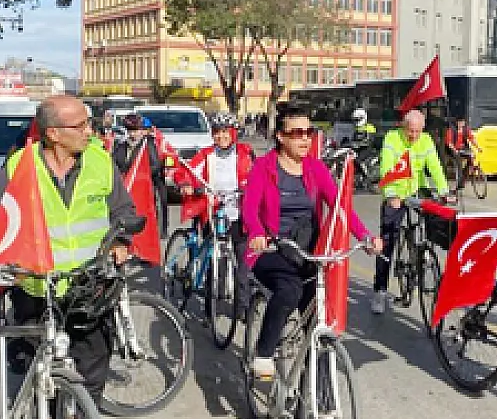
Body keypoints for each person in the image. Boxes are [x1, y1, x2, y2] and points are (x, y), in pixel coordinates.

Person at [0, 95, 139, 403]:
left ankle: (80, 418)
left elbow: (124, 211)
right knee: (33, 372)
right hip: (36, 286)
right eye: (81, 125)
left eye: (89, 123)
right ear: (53, 133)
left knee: (91, 373)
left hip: (89, 287)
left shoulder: (100, 161)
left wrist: (121, 241)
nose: (90, 131)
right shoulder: (21, 165)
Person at [242, 103, 382, 379]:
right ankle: (264, 352)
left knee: (320, 323)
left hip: (308, 252)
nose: (305, 138)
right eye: (297, 133)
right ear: (281, 136)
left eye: (309, 132)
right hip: (271, 249)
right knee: (289, 291)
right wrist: (257, 234)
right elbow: (249, 208)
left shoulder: (315, 168)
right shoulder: (264, 167)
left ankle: (323, 404)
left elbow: (340, 208)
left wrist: (365, 236)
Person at [372, 109, 454, 315]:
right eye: (410, 131)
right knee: (387, 243)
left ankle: (422, 254)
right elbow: (387, 167)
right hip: (396, 194)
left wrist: (444, 191)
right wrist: (391, 195)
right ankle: (380, 291)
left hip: (417, 192)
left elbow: (435, 167)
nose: (414, 136)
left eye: (418, 131)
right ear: (403, 126)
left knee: (432, 221)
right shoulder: (393, 138)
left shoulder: (426, 141)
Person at [176, 111, 256, 309]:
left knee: (244, 264)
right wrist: (185, 183)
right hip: (212, 213)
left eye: (225, 132)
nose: (221, 136)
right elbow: (184, 171)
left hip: (239, 214)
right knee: (213, 258)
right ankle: (210, 304)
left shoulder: (246, 153)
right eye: (217, 132)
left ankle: (242, 308)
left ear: (233, 133)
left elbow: (260, 173)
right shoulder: (206, 155)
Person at [444, 117, 480, 191]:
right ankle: (459, 182)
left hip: (463, 149)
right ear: (457, 123)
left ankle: (463, 178)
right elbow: (449, 143)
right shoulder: (451, 130)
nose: (461, 124)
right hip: (452, 149)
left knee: (471, 159)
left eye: (462, 122)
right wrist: (455, 150)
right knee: (459, 162)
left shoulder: (465, 130)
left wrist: (478, 147)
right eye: (460, 122)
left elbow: (472, 139)